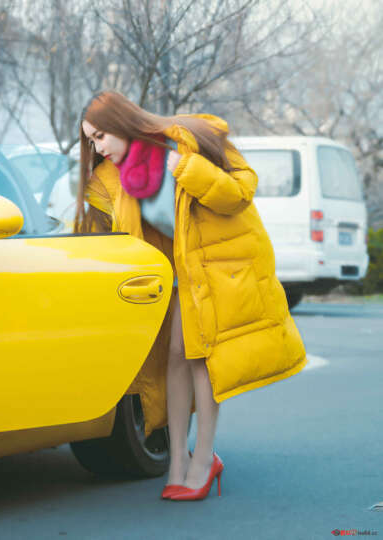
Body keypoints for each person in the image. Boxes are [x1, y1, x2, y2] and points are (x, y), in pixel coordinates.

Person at [75, 91, 307, 501]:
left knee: (199, 357)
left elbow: (241, 192)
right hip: (175, 276)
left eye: (101, 136)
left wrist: (189, 169)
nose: (97, 148)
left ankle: (203, 459)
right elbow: (102, 235)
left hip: (215, 268)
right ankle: (178, 461)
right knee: (176, 357)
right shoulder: (110, 179)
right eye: (91, 141)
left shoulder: (190, 140)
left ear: (122, 123)